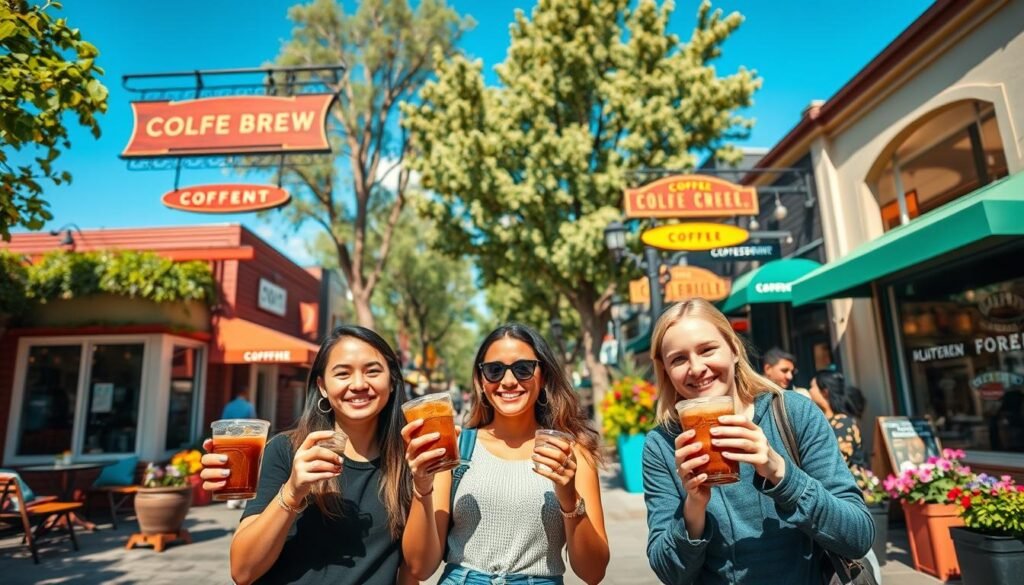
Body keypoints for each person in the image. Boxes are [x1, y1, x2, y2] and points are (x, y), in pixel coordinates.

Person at [643, 299, 873, 585]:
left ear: (734, 350)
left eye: (707, 350)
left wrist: (780, 472)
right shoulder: (662, 445)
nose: (696, 367)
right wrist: (694, 508)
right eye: (678, 359)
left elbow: (858, 537)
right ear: (665, 369)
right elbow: (668, 572)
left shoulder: (794, 413)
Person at [199, 325, 424, 585]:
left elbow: (414, 569)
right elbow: (242, 571)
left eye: (373, 371)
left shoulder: (410, 459)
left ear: (393, 381)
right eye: (342, 373)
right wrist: (293, 491)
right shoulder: (286, 450)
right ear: (322, 386)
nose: (359, 384)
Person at [401, 323, 610, 585]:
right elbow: (420, 567)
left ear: (542, 375)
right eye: (494, 370)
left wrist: (569, 497)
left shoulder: (571, 453)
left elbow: (593, 573)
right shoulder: (456, 449)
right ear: (481, 381)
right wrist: (421, 487)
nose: (508, 381)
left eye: (523, 369)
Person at [809, 370, 882, 583]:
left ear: (824, 391)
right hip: (834, 499)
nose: (809, 390)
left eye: (812, 387)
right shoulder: (828, 419)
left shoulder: (843, 422)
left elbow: (835, 461)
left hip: (845, 498)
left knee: (858, 555)